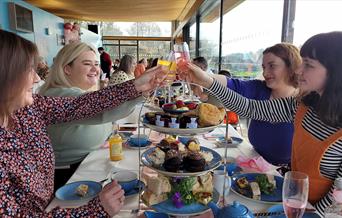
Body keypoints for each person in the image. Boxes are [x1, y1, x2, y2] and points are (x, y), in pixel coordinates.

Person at [0, 30, 165, 217]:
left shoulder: (28, 109)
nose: (37, 78)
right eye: (27, 70)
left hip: (50, 204)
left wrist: (136, 86)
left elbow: (82, 105)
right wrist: (96, 210)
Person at [183, 32, 342, 216]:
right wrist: (207, 81)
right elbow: (248, 108)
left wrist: (309, 214)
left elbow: (336, 198)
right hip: (294, 201)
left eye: (308, 65)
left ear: (335, 72)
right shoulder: (301, 105)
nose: (299, 71)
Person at [39, 42, 143, 191]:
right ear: (67, 69)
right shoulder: (59, 95)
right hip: (67, 180)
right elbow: (102, 110)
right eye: (87, 64)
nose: (96, 69)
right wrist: (143, 88)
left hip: (90, 165)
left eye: (96, 63)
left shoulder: (74, 92)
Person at [210, 43, 302, 166]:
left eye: (272, 66)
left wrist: (206, 81)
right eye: (264, 67)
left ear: (291, 67)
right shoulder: (260, 89)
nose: (265, 73)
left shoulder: (303, 104)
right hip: (254, 164)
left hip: (286, 174)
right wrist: (203, 77)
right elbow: (232, 84)